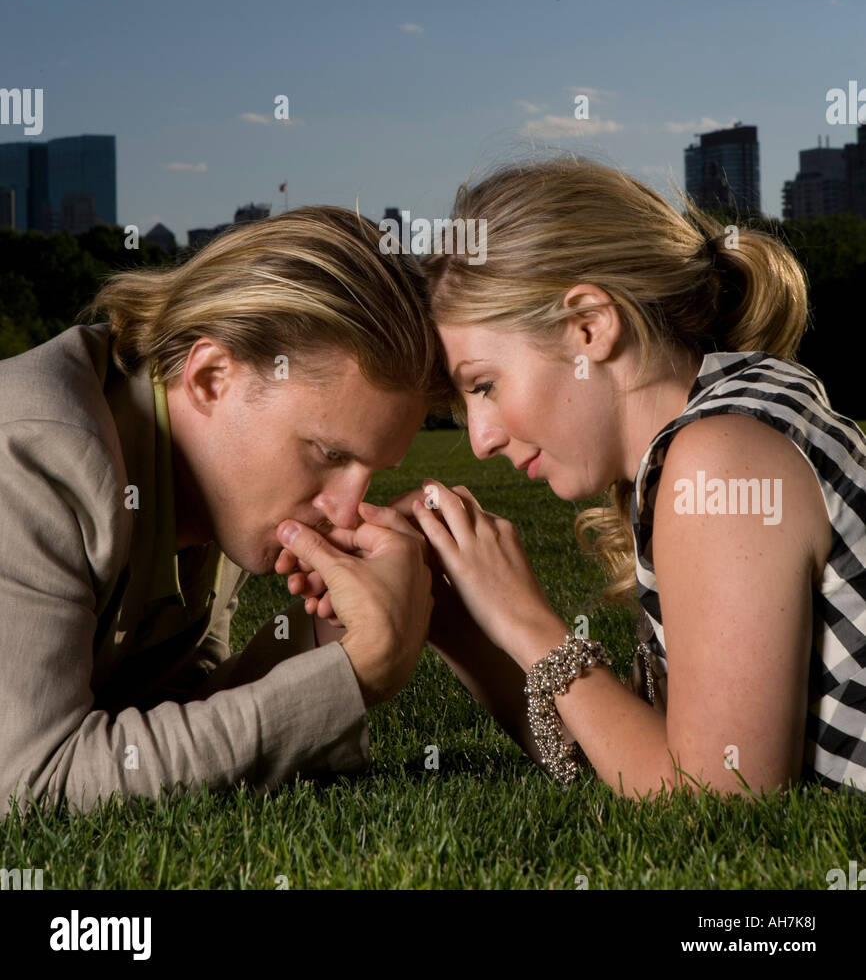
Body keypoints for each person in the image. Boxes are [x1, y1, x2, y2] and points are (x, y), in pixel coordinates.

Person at [294, 156, 866, 798]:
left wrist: (529, 623)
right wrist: (453, 612)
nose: (480, 439)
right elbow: (628, 757)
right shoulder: (716, 426)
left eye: (484, 384)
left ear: (589, 326)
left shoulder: (720, 459)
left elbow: (717, 794)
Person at [0, 206, 450, 819]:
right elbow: (35, 784)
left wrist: (330, 637)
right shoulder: (35, 453)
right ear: (212, 376)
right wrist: (351, 676)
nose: (346, 511)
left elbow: (171, 712)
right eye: (327, 453)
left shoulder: (212, 476)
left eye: (371, 472)